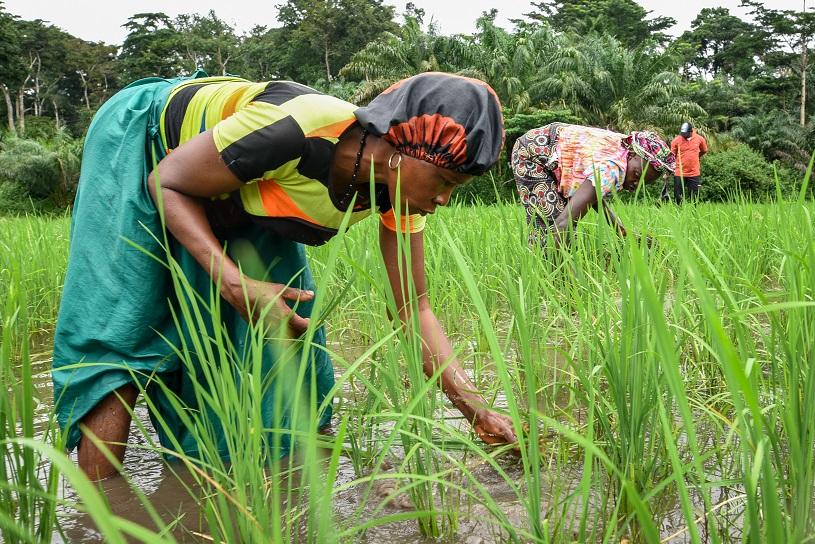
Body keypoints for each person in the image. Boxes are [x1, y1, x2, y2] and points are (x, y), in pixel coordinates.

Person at [53, 71, 517, 480]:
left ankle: (265, 487)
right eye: (445, 184)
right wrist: (235, 284)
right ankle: (102, 515)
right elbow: (168, 181)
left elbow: (414, 309)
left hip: (247, 196)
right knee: (120, 326)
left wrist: (477, 413)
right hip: (152, 146)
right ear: (405, 147)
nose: (443, 201)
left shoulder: (399, 194)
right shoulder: (296, 128)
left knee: (289, 344)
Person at [510, 122, 676, 246]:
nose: (635, 184)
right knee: (551, 225)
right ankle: (552, 282)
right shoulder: (611, 167)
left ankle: (555, 274)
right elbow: (563, 223)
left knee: (564, 225)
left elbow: (593, 196)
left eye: (642, 184)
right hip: (533, 154)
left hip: (552, 152)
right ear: (632, 155)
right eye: (637, 175)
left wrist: (621, 229)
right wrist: (575, 285)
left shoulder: (623, 150)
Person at [670, 121, 707, 204]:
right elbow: (672, 156)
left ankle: (694, 215)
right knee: (678, 197)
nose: (683, 136)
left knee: (694, 197)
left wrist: (696, 157)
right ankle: (679, 214)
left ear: (691, 132)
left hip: (694, 173)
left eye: (685, 134)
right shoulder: (676, 140)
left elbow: (704, 150)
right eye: (682, 134)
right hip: (679, 172)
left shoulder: (699, 139)